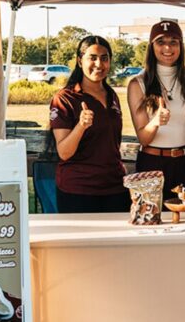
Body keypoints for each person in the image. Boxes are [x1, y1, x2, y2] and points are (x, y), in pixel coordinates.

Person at [48, 36, 130, 213]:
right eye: (92, 58)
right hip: (79, 190)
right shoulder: (65, 98)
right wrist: (81, 126)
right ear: (80, 61)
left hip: (115, 187)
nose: (99, 64)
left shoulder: (112, 95)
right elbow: (64, 152)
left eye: (104, 58)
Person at [127, 20, 185, 197]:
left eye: (173, 42)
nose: (167, 48)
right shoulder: (138, 84)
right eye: (161, 42)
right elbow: (144, 139)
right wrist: (155, 122)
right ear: (152, 46)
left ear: (181, 46)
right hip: (152, 163)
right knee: (151, 214)